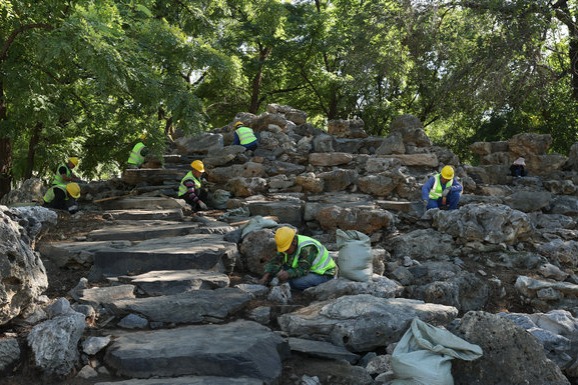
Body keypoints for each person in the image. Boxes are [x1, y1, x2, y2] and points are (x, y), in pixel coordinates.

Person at [259, 227, 336, 290]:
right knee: (277, 271)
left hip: (323, 274)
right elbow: (275, 261)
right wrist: (266, 275)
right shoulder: (287, 244)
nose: (285, 252)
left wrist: (288, 274)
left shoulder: (307, 247)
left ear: (294, 242)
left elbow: (303, 269)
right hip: (306, 269)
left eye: (287, 249)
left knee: (296, 283)